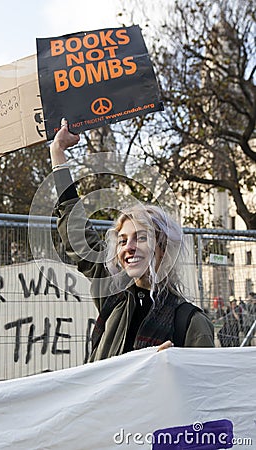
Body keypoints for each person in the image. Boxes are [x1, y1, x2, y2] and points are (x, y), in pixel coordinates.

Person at [50, 118, 214, 362]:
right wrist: (57, 154)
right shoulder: (113, 296)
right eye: (123, 240)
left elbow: (206, 391)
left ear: (163, 246)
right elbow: (77, 234)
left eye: (141, 238)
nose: (128, 247)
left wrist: (175, 370)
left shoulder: (191, 323)